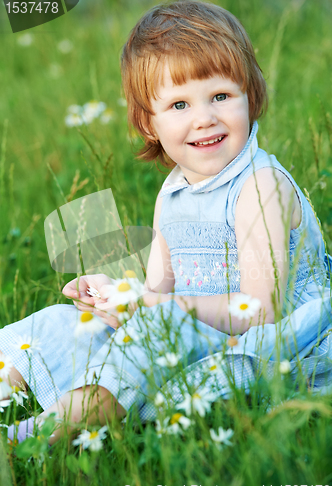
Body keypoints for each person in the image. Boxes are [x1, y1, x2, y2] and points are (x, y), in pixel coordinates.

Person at [0, 0, 331, 444]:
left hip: (277, 350)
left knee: (145, 345)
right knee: (59, 324)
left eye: (220, 96)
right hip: (191, 331)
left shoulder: (259, 187)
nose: (204, 117)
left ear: (250, 96)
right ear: (148, 122)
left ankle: (28, 439)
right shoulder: (173, 192)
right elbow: (157, 292)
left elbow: (261, 312)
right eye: (178, 104)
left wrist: (159, 308)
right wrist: (117, 298)